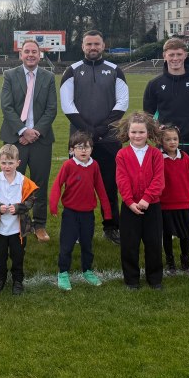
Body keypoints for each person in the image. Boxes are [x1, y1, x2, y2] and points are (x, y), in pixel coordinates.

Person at [143, 37, 189, 248]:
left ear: (185, 55)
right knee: (163, 184)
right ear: (164, 56)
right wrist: (158, 134)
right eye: (171, 54)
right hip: (163, 144)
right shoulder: (155, 84)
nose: (175, 58)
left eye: (178, 54)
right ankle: (170, 228)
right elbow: (148, 115)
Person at [60, 30, 129, 245]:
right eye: (89, 44)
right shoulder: (71, 71)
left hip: (108, 139)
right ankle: (79, 230)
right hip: (80, 141)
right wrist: (88, 132)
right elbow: (67, 105)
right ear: (82, 46)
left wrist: (100, 130)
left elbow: (122, 104)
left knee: (109, 187)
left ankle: (111, 227)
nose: (93, 48)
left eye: (96, 44)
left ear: (103, 45)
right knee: (79, 186)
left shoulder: (116, 70)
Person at [0, 39, 57, 242]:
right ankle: (19, 223)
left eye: (34, 51)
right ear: (21, 55)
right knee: (15, 183)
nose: (31, 55)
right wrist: (23, 131)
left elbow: (52, 109)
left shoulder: (49, 77)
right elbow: (6, 107)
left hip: (40, 140)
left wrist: (35, 132)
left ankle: (39, 225)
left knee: (39, 184)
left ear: (39, 55)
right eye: (27, 51)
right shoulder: (10, 75)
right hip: (16, 139)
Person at [49, 131, 112, 291]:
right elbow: (57, 184)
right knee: (67, 245)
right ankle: (63, 273)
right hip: (70, 213)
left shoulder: (94, 165)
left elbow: (100, 188)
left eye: (87, 147)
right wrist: (53, 204)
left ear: (91, 149)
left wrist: (107, 210)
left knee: (87, 244)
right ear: (72, 150)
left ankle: (87, 270)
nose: (84, 151)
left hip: (88, 214)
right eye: (80, 147)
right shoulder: (68, 165)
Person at [114, 111, 164, 291]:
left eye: (141, 132)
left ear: (148, 133)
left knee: (153, 244)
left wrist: (146, 199)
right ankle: (132, 280)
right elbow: (122, 180)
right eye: (133, 132)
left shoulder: (156, 154)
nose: (137, 136)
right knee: (129, 245)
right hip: (130, 208)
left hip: (152, 206)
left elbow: (159, 180)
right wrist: (129, 201)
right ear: (128, 133)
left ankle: (155, 279)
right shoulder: (122, 155)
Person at [0, 144, 38, 296]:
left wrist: (19, 208)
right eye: (4, 162)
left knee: (18, 256)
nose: (7, 166)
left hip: (17, 230)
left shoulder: (24, 182)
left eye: (11, 163)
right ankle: (0, 279)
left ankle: (18, 281)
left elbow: (31, 200)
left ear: (18, 163)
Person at [159, 124, 189, 275]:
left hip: (183, 204)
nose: (172, 142)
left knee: (184, 235)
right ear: (161, 141)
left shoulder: (185, 157)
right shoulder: (158, 158)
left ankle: (185, 262)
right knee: (167, 235)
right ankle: (170, 263)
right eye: (168, 139)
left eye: (175, 139)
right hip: (165, 205)